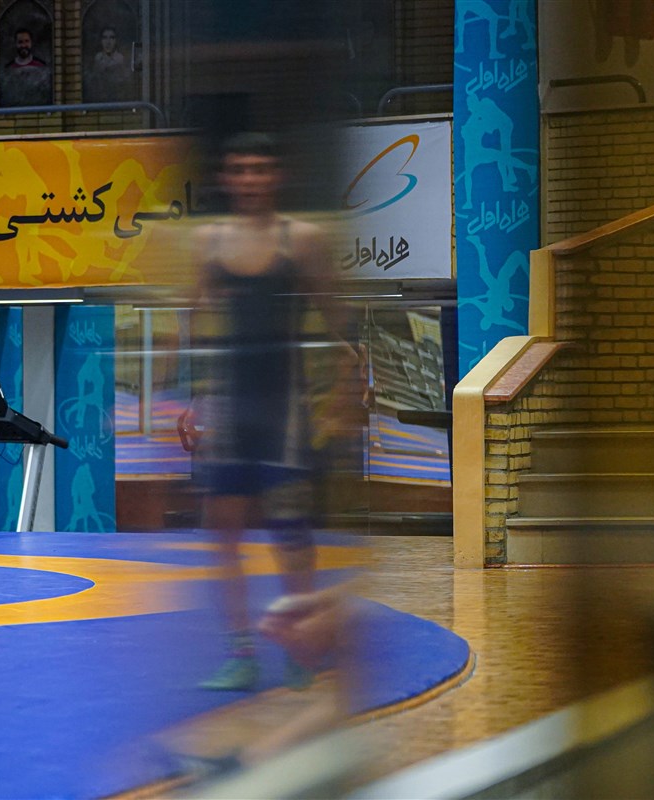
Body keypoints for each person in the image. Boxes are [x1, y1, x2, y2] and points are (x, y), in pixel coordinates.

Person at [184, 132, 360, 692]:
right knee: (223, 535)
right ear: (226, 178)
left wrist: (347, 392)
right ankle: (241, 651)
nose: (250, 179)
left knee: (291, 534)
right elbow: (195, 323)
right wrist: (193, 399)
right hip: (231, 410)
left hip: (284, 409)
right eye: (240, 169)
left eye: (260, 168)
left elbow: (340, 321)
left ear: (276, 175)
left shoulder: (302, 240)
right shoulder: (209, 242)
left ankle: (301, 649)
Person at [85, 26, 130, 102]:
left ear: (116, 41)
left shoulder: (121, 59)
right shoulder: (97, 58)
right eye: (104, 38)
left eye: (111, 38)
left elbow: (126, 82)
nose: (108, 42)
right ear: (101, 41)